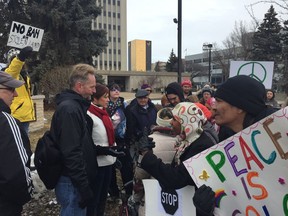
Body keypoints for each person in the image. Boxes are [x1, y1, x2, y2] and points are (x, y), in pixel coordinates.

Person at [136, 102, 218, 216]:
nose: (170, 122)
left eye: (175, 119)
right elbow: (178, 169)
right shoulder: (188, 140)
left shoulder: (201, 145)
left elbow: (176, 178)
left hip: (195, 207)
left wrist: (147, 155)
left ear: (186, 122)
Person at [51, 64, 98, 216]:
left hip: (75, 180)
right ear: (79, 86)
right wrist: (83, 186)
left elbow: (81, 144)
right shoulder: (70, 110)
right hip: (71, 182)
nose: (94, 91)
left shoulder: (76, 107)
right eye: (92, 87)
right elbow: (71, 152)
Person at [87, 83, 124, 216]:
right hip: (97, 164)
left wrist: (113, 154)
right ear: (95, 98)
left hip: (108, 162)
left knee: (102, 197)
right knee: (95, 199)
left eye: (108, 96)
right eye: (105, 96)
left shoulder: (103, 112)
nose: (108, 99)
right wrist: (102, 151)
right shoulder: (89, 115)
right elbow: (88, 142)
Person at [0, 71, 34, 215]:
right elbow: (18, 169)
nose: (15, 95)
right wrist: (27, 194)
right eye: (11, 89)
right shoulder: (6, 121)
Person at [213, 75, 278, 142]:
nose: (213, 107)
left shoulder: (280, 125)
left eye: (218, 101)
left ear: (239, 107)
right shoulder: (225, 135)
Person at [107, 83, 134, 201]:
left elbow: (131, 123)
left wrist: (127, 140)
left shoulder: (124, 105)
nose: (116, 91)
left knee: (126, 167)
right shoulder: (105, 105)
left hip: (122, 140)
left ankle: (129, 191)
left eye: (118, 89)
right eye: (113, 90)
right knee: (110, 168)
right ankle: (113, 193)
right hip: (108, 141)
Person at [4, 46, 35, 135]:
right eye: (14, 59)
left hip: (25, 114)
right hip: (17, 114)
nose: (19, 61)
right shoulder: (9, 73)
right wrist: (20, 58)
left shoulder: (25, 75)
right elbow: (14, 69)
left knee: (24, 140)